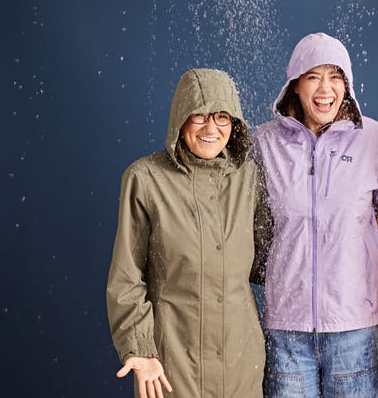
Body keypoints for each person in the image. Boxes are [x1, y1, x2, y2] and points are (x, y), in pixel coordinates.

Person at [251, 32, 378, 397]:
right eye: (313, 76)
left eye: (335, 76)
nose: (325, 88)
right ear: (295, 86)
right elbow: (248, 219)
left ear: (347, 85)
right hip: (286, 326)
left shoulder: (371, 137)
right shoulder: (264, 142)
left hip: (354, 326)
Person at [106, 68, 271, 398]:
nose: (211, 128)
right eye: (199, 116)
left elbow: (265, 265)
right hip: (172, 368)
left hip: (241, 363)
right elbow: (126, 277)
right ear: (180, 119)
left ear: (235, 124)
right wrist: (141, 349)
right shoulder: (145, 179)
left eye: (222, 117)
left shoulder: (250, 179)